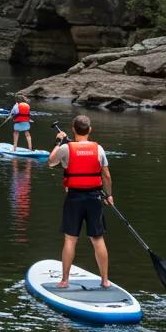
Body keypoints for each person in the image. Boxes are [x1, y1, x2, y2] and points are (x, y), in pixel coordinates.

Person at [47, 114, 114, 289]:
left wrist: (58, 142)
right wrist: (109, 195)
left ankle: (64, 280)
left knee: (70, 240)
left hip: (74, 198)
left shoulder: (66, 149)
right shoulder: (99, 149)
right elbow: (106, 175)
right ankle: (105, 280)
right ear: (90, 130)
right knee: (98, 239)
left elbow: (50, 162)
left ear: (73, 129)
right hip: (94, 198)